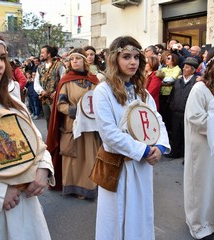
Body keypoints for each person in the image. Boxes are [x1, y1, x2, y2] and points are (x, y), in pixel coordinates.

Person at [0, 25, 55, 240]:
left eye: (2, 57)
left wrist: (42, 170)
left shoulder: (12, 103)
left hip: (25, 209)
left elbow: (36, 144)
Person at [92, 36, 170, 240]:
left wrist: (160, 147)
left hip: (142, 167)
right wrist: (143, 150)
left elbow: (157, 121)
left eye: (136, 57)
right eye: (126, 57)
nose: (133, 62)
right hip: (116, 166)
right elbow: (109, 134)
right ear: (114, 59)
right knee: (114, 219)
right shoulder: (103, 91)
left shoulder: (141, 92)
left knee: (140, 215)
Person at [46, 48, 101, 199]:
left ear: (84, 61)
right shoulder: (66, 81)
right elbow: (60, 105)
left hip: (91, 127)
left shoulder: (95, 80)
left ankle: (90, 188)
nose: (74, 61)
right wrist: (78, 111)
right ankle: (73, 189)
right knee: (73, 159)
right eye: (72, 59)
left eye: (78, 58)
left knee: (90, 157)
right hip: (73, 126)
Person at [184, 47, 214, 240]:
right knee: (200, 185)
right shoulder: (199, 89)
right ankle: (198, 223)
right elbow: (195, 117)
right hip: (201, 146)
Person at [165, 57, 198, 159]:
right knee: (176, 134)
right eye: (184, 66)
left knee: (186, 136)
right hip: (175, 112)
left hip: (187, 113)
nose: (184, 69)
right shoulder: (178, 81)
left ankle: (186, 156)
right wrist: (171, 105)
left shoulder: (196, 82)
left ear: (193, 70)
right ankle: (174, 152)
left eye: (187, 67)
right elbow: (172, 95)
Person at [34, 45, 66, 129]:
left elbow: (64, 80)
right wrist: (41, 91)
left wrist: (56, 92)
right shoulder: (40, 67)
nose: (41, 54)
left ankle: (59, 141)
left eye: (42, 52)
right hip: (45, 99)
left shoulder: (59, 65)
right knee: (48, 120)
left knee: (57, 120)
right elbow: (36, 82)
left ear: (49, 54)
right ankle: (50, 140)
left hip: (56, 98)